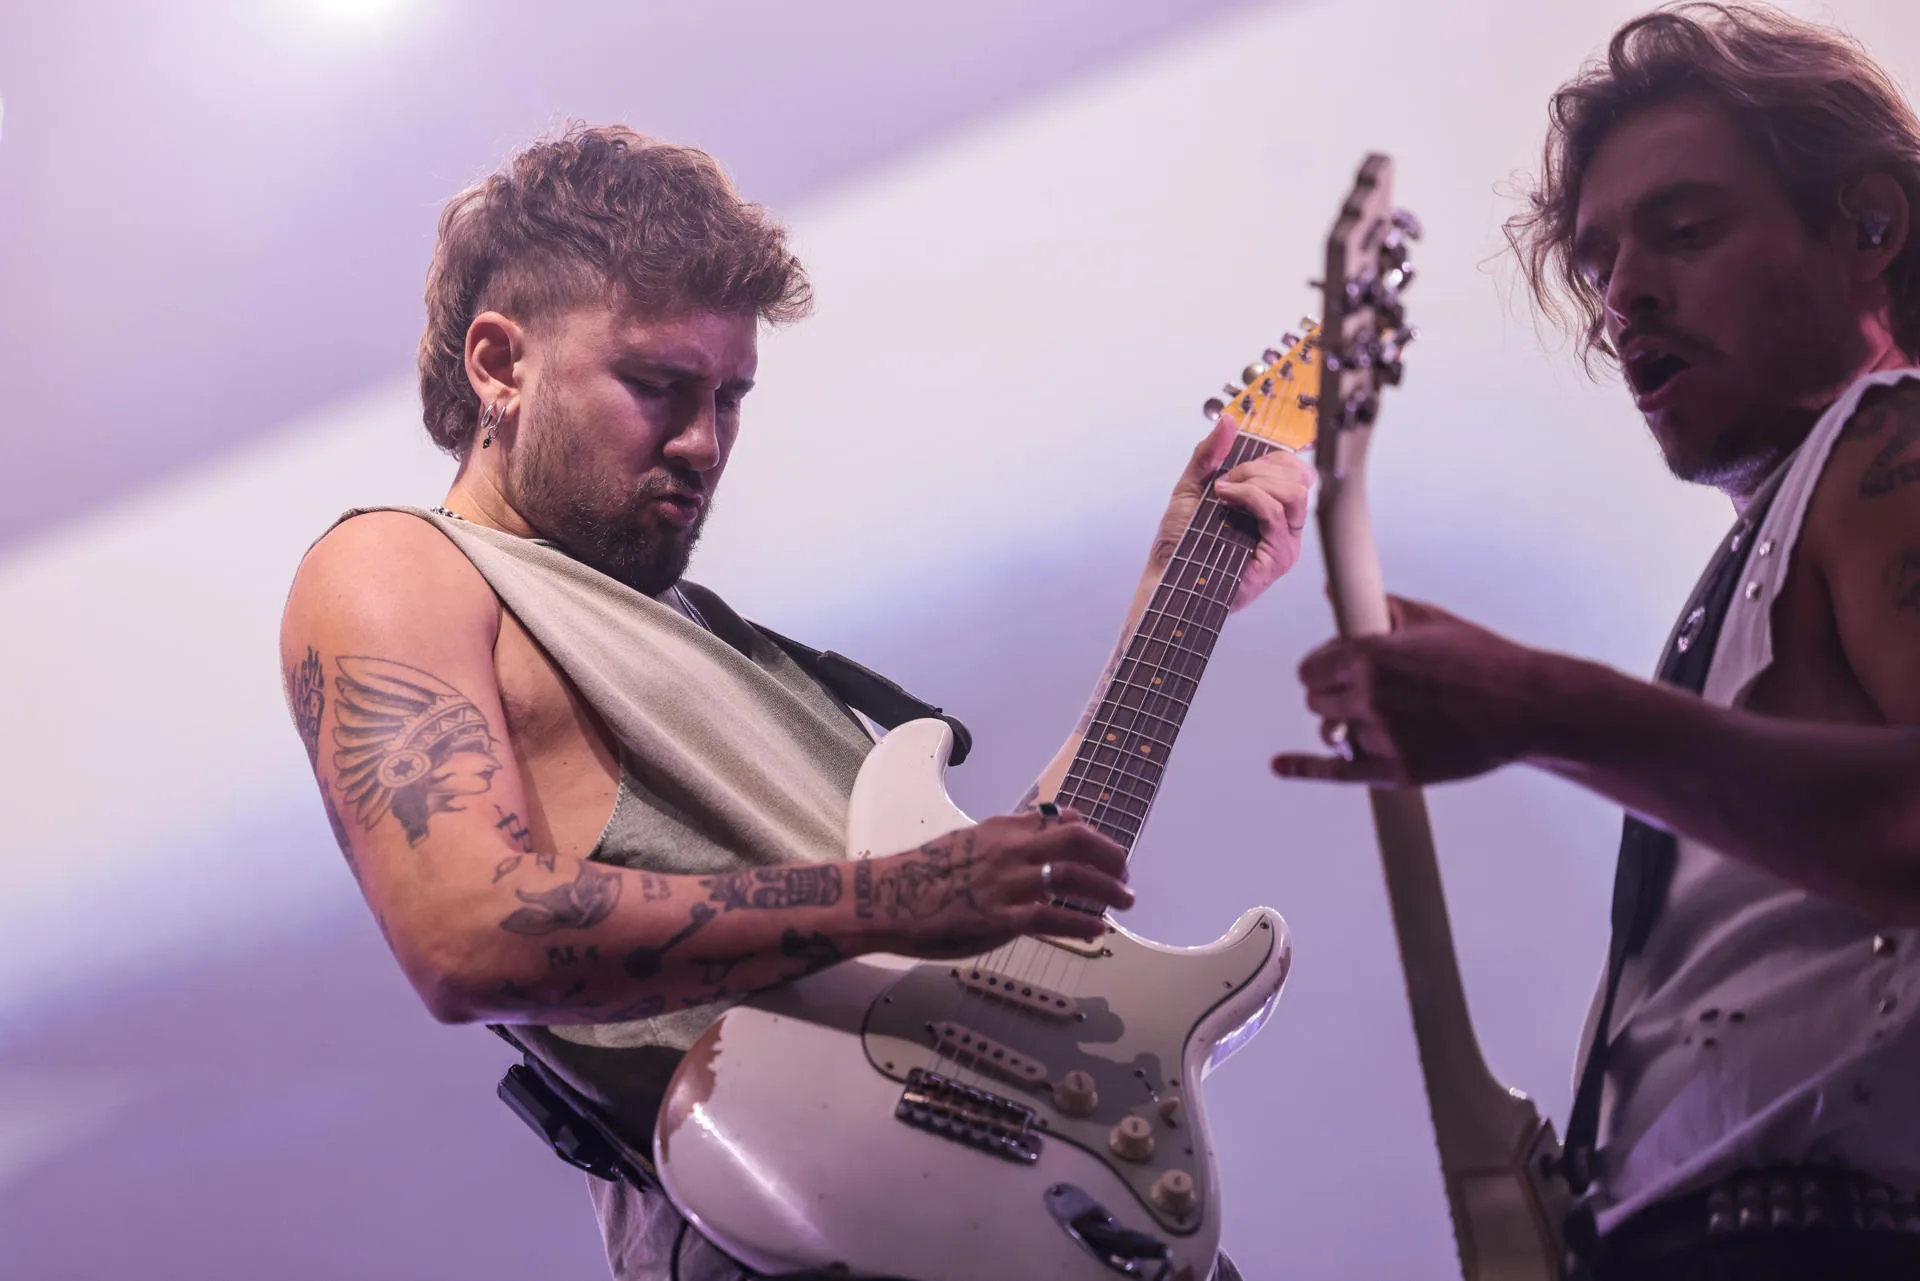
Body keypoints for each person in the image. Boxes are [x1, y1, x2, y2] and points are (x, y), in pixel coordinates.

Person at [279, 125, 1313, 1280]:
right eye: (655, 386)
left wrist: (1171, 599)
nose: (702, 442)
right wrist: (907, 895)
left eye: (731, 397)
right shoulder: (404, 565)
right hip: (794, 1231)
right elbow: (466, 934)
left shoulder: (724, 641)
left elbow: (980, 925)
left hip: (1038, 1215)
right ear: (497, 363)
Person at [1271, 5, 1920, 1279]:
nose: (1625, 297)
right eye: (1598, 260)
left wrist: (1545, 709)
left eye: (1684, 230)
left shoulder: (1894, 444)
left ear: (1868, 228)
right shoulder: (1791, 521)